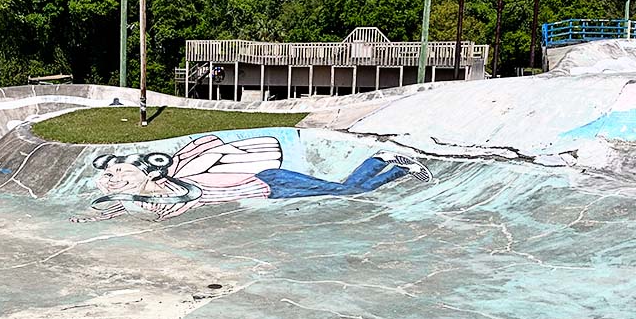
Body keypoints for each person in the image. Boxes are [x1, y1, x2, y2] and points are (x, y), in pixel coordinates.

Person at [71, 135, 430, 222]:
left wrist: (158, 199)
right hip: (270, 194)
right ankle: (399, 169)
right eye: (112, 176)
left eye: (121, 172)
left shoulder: (174, 180)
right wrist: (97, 214)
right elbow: (132, 207)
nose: (117, 178)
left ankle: (381, 158)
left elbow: (188, 191)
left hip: (269, 177)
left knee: (344, 190)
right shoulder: (154, 199)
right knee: (345, 194)